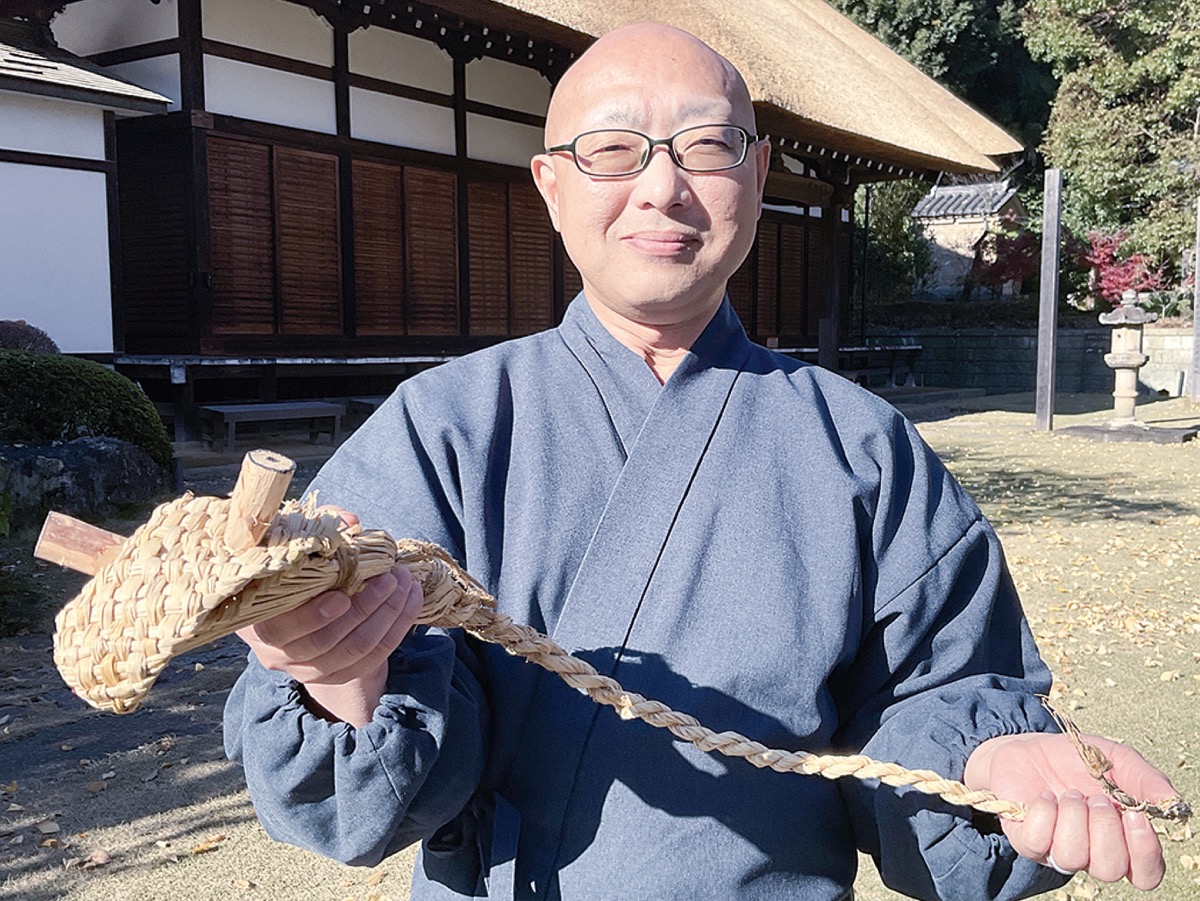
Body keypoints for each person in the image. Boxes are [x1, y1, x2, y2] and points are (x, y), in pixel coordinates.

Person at [224, 23, 1177, 901]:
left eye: (707, 147)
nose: (661, 187)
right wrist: (338, 679)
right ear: (551, 185)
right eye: (611, 151)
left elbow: (940, 692)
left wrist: (981, 766)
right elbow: (372, 781)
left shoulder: (863, 450)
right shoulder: (445, 427)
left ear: (757, 176)